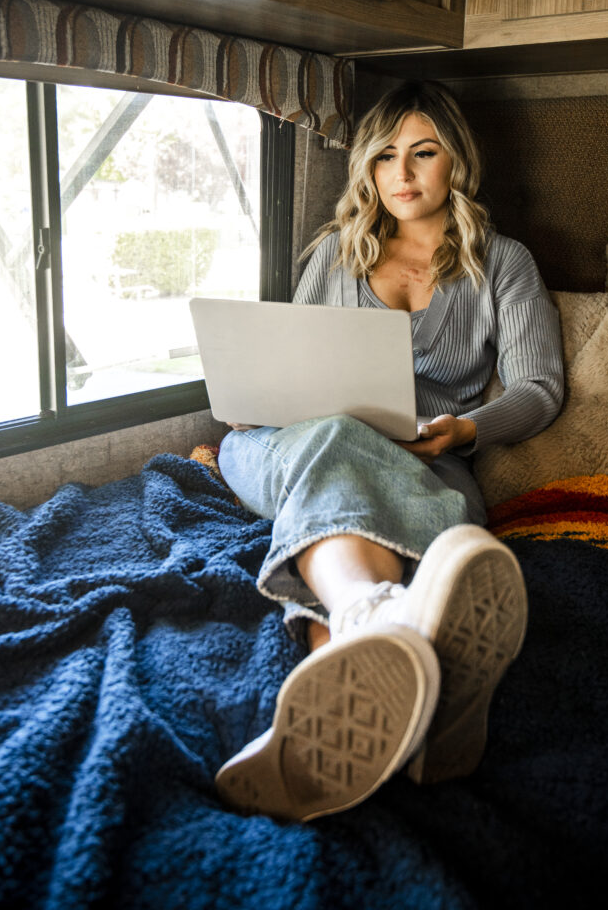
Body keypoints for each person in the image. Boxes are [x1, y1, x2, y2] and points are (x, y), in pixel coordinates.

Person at [213, 80, 564, 822]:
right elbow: (282, 364)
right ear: (367, 171)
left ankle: (342, 676)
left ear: (455, 163)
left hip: (425, 461)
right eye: (384, 158)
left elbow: (539, 389)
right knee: (331, 438)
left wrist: (464, 430)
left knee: (366, 481)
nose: (401, 174)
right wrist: (254, 405)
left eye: (422, 153)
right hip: (289, 444)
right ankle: (386, 627)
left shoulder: (503, 263)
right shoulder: (336, 254)